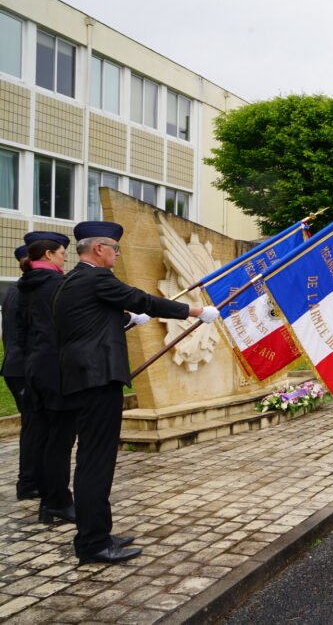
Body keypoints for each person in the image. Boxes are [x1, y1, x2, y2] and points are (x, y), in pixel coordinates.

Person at [52, 221, 220, 564]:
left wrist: (125, 320)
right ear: (99, 249)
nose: (117, 254)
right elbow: (141, 298)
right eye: (115, 248)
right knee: (95, 463)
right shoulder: (96, 278)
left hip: (83, 378)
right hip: (97, 381)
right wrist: (196, 311)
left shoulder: (71, 281)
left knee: (92, 459)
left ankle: (97, 531)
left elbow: (88, 324)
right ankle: (92, 543)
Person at [16, 233, 78, 526]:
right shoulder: (57, 284)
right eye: (63, 253)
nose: (66, 257)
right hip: (57, 370)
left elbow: (22, 333)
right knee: (60, 440)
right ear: (50, 254)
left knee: (42, 437)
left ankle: (47, 500)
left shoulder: (24, 285)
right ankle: (57, 502)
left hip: (35, 368)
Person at [2, 245, 39, 500]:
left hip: (16, 366)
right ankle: (28, 484)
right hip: (26, 368)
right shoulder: (25, 290)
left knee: (32, 426)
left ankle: (29, 482)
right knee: (34, 427)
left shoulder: (15, 289)